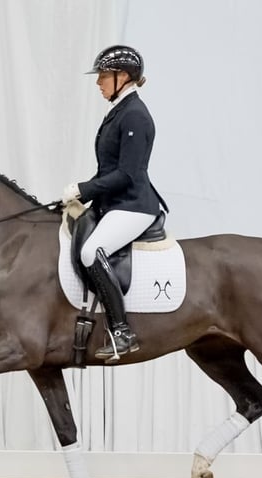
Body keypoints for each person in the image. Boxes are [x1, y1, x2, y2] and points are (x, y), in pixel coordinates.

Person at [62, 45, 167, 363]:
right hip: (114, 202)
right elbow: (109, 170)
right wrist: (83, 197)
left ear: (124, 77)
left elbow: (126, 174)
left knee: (91, 251)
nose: (99, 83)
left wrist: (83, 187)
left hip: (134, 204)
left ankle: (122, 330)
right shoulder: (121, 111)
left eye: (104, 76)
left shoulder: (135, 114)